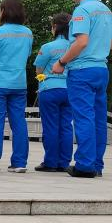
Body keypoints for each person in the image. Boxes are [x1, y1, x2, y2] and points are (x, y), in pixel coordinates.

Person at [52, 0, 112, 178]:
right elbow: (111, 44)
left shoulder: (82, 10)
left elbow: (81, 42)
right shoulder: (106, 11)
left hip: (82, 71)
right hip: (101, 70)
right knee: (98, 118)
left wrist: (61, 62)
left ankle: (85, 165)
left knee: (83, 117)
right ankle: (96, 164)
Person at [0, 0, 34, 173]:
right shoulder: (28, 33)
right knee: (19, 122)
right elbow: (26, 56)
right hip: (19, 84)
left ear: (3, 11)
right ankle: (19, 162)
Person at [34, 13, 73, 172]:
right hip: (70, 90)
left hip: (49, 90)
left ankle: (50, 162)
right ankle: (64, 163)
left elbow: (39, 70)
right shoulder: (75, 47)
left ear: (55, 27)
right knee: (66, 126)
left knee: (51, 126)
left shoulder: (47, 47)